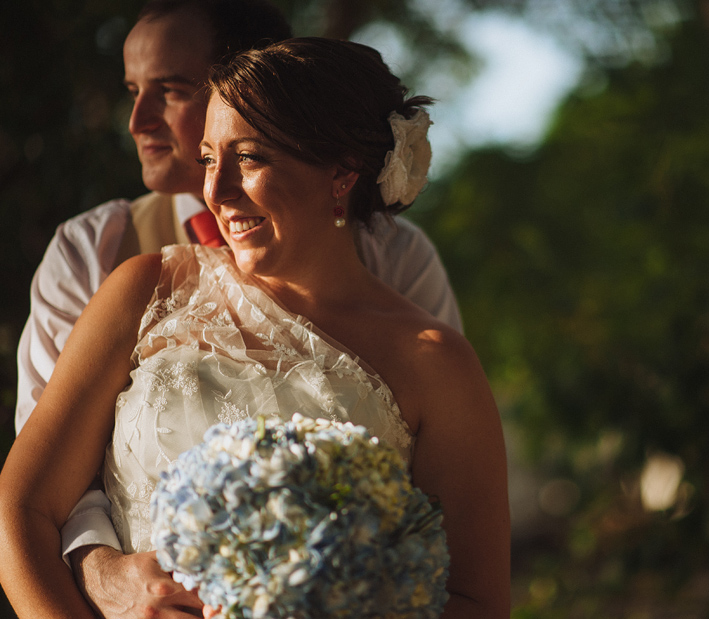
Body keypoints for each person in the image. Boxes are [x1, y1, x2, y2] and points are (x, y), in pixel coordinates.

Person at [0, 36, 510, 618]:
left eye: (249, 158)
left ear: (342, 174)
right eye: (210, 159)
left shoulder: (434, 361)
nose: (215, 193)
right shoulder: (145, 289)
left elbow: (476, 600)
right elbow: (21, 510)